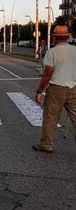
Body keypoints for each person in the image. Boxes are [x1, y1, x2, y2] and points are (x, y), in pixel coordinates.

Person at [33, 25, 76, 153]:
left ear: (55, 38)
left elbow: (47, 74)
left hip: (56, 89)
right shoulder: (75, 50)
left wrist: (39, 91)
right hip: (73, 87)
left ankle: (46, 144)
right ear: (67, 37)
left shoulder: (52, 52)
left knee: (50, 118)